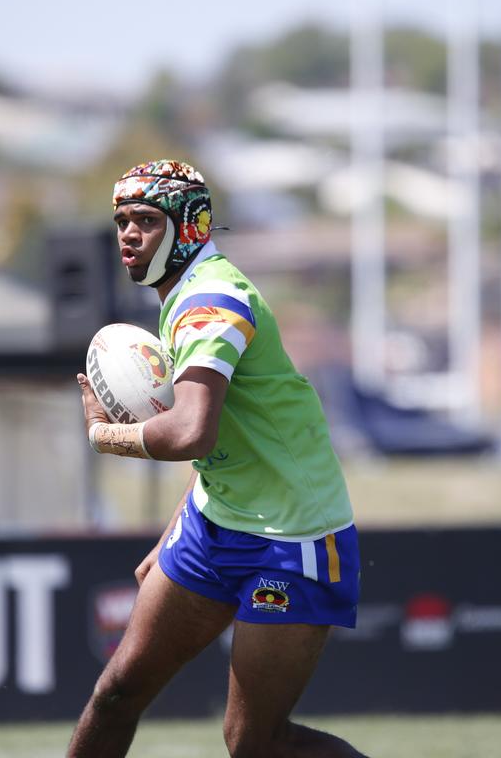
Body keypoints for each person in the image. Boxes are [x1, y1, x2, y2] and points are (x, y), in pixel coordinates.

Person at [70, 160, 367, 758]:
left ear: (190, 227)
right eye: (122, 220)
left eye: (146, 221)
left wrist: (105, 437)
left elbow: (192, 432)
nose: (128, 233)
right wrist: (175, 528)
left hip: (295, 537)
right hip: (213, 524)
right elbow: (224, 443)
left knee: (255, 743)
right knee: (118, 690)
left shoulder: (211, 301)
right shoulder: (181, 293)